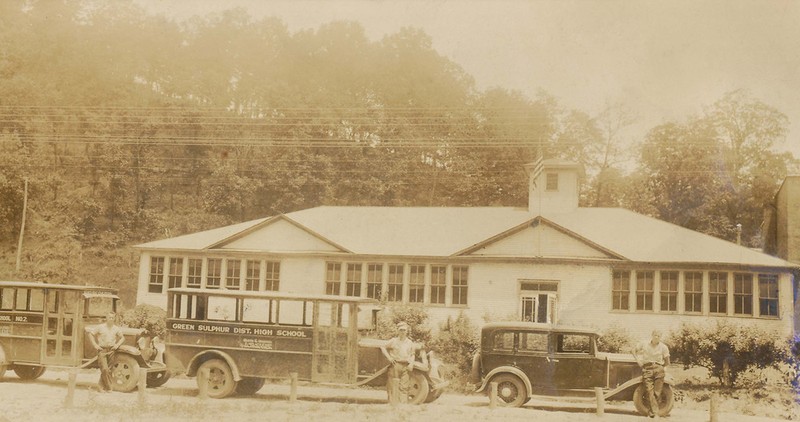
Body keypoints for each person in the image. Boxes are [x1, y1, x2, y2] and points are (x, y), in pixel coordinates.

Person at [635, 330, 671, 418]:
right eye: (655, 335)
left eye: (658, 336)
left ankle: (653, 412)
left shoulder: (663, 347)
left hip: (659, 368)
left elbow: (667, 361)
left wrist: (662, 368)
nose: (656, 337)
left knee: (657, 391)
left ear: (660, 337)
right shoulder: (644, 344)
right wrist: (638, 360)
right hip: (647, 368)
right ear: (652, 335)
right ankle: (656, 413)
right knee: (649, 390)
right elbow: (633, 350)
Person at [381, 321, 417, 403]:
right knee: (392, 385)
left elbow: (412, 354)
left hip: (405, 366)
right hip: (395, 365)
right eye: (400, 330)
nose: (402, 332)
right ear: (397, 331)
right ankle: (392, 404)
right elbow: (383, 347)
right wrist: (389, 358)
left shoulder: (410, 342)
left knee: (404, 387)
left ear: (407, 331)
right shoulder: (393, 341)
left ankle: (402, 405)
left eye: (404, 330)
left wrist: (411, 363)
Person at [89, 312, 125, 392]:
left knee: (108, 370)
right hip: (102, 350)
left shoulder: (116, 328)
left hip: (112, 350)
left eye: (112, 318)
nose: (111, 319)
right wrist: (95, 345)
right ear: (106, 318)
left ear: (114, 318)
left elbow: (122, 338)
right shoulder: (100, 327)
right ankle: (109, 387)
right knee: (104, 369)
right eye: (109, 317)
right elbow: (91, 334)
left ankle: (101, 387)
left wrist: (117, 345)